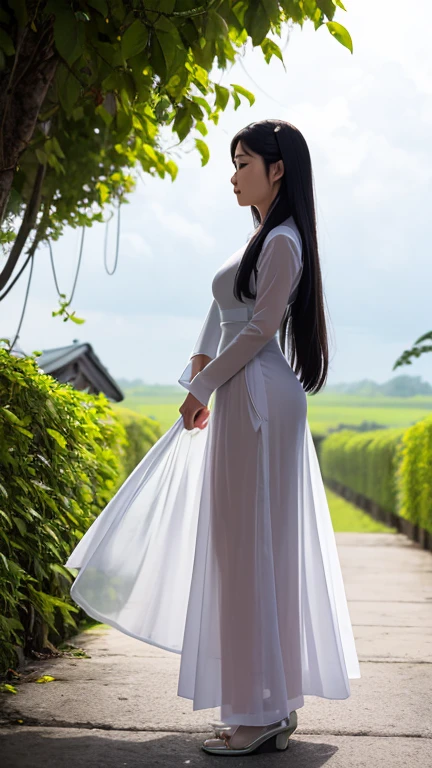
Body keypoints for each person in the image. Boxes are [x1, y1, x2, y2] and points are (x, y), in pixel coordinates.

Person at [65, 119, 361, 757]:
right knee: (244, 550)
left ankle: (258, 714)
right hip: (241, 394)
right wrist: (197, 372)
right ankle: (269, 706)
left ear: (276, 169)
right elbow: (222, 318)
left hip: (256, 400)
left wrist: (203, 387)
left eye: (243, 162)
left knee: (252, 551)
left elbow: (257, 331)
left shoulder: (283, 241)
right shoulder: (261, 239)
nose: (232, 175)